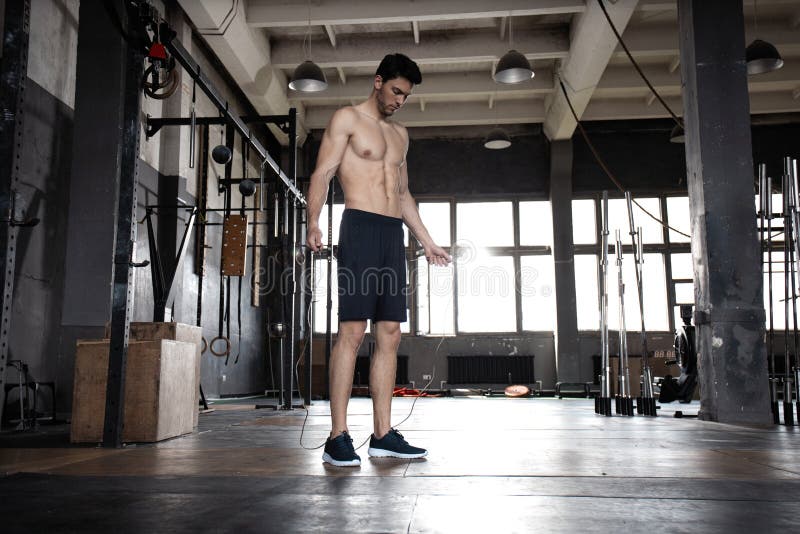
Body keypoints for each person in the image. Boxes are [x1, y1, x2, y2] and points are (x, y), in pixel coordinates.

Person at [306, 53, 451, 467]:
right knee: (352, 331)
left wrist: (426, 241)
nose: (400, 101)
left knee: (390, 332)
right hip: (359, 227)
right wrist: (313, 222)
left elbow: (403, 194)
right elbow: (323, 173)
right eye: (395, 91)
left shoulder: (401, 135)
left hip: (392, 235)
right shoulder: (347, 120)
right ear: (377, 81)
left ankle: (383, 435)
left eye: (405, 96)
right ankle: (337, 437)